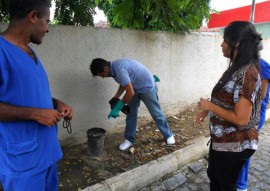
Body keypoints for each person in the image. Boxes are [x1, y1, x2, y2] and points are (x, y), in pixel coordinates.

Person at [0, 0, 73, 191]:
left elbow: (27, 94)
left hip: (46, 154)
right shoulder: (2, 51)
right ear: (33, 16)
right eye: (47, 21)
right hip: (23, 163)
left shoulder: (30, 52)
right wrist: (35, 114)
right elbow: (32, 109)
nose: (47, 29)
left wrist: (56, 103)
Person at [196, 21, 262, 191]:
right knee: (215, 177)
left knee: (225, 185)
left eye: (225, 40)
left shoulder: (248, 74)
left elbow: (241, 119)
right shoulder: (237, 68)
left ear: (237, 44)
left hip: (235, 144)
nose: (221, 44)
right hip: (222, 141)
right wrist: (207, 110)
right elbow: (227, 100)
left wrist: (210, 106)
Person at [90, 58, 175, 151]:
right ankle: (129, 140)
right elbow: (124, 83)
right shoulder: (114, 69)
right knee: (130, 113)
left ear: (105, 69)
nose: (103, 77)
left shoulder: (119, 69)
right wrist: (116, 97)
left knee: (156, 113)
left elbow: (129, 92)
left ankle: (168, 135)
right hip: (134, 88)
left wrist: (118, 107)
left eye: (102, 75)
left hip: (147, 87)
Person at [237, 44, 270, 191]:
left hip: (255, 115)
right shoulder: (245, 64)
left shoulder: (263, 66)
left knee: (245, 147)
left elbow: (261, 95)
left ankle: (241, 186)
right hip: (243, 112)